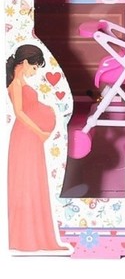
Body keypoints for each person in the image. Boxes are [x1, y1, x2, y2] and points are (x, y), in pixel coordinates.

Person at [6, 44, 68, 251]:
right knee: (27, 184)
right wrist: (39, 131)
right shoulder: (16, 84)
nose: (34, 72)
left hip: (30, 138)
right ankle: (26, 239)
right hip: (25, 136)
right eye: (34, 68)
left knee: (35, 183)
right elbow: (19, 113)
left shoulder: (22, 82)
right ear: (25, 62)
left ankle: (41, 238)